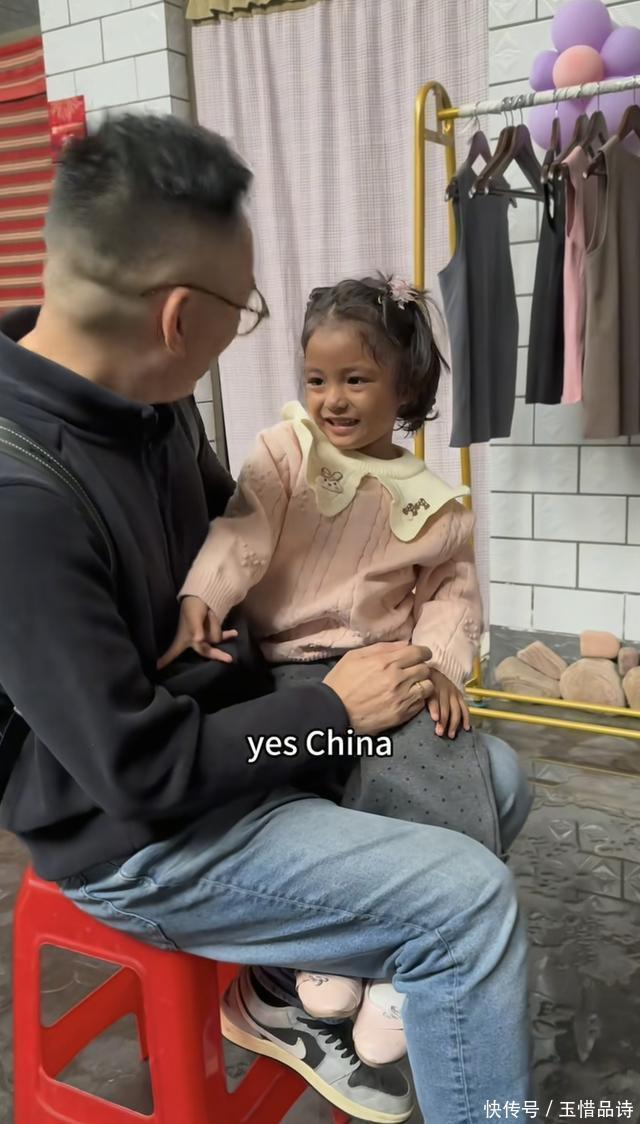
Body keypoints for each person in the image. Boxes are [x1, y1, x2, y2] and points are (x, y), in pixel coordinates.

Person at [0, 115, 534, 1124]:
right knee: (468, 903)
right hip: (143, 833)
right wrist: (331, 712)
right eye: (246, 310)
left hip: (246, 739)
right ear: (177, 318)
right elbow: (137, 770)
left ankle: (287, 988)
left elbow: (246, 539)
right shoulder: (20, 499)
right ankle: (327, 983)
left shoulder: (147, 398)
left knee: (497, 777)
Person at [160, 271, 532, 1069]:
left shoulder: (437, 503)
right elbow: (241, 535)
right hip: (290, 670)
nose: (332, 398)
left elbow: (452, 597)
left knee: (439, 757)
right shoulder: (286, 451)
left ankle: (398, 968)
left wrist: (437, 667)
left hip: (390, 664)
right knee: (330, 779)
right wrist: (202, 595)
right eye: (317, 378)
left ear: (406, 389)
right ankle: (334, 947)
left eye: (356, 379)